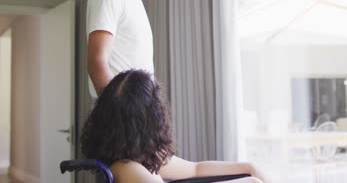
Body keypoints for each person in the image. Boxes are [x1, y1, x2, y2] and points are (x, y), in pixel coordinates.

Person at [81, 69, 270, 183]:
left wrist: (248, 167)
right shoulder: (126, 168)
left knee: (251, 175)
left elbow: (196, 169)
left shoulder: (137, 158)